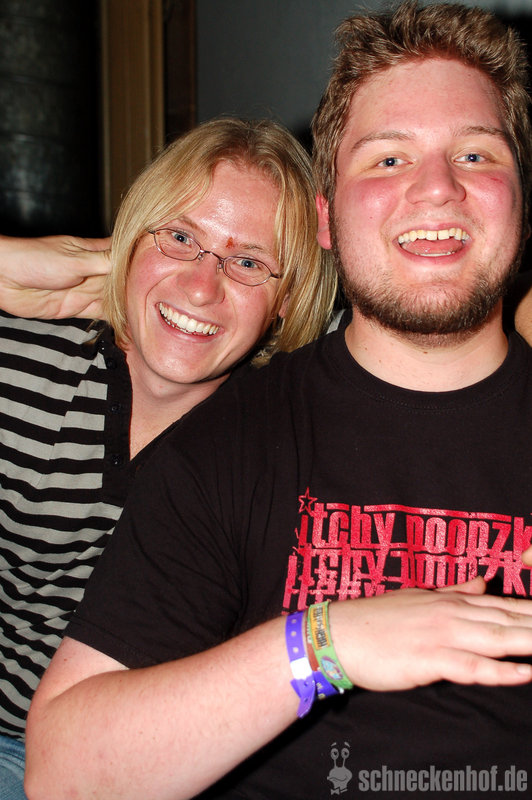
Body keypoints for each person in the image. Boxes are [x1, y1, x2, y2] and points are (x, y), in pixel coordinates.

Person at [24, 2, 532, 798]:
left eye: (474, 154)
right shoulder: (228, 440)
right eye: (388, 159)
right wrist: (322, 645)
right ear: (328, 220)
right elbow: (64, 773)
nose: (437, 188)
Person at [0, 117, 337, 799]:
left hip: (140, 763)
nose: (201, 286)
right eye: (180, 238)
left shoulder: (283, 418)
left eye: (248, 262)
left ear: (286, 301)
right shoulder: (23, 358)